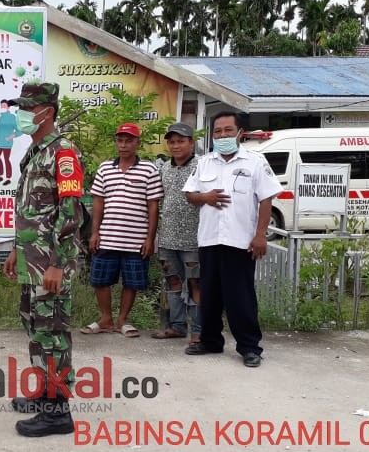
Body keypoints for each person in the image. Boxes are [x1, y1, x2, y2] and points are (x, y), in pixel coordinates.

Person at [2, 82, 85, 437]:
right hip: (31, 260)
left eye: (27, 108)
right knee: (36, 330)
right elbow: (30, 211)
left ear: (46, 112)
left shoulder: (63, 153)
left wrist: (57, 263)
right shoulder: (36, 152)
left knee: (52, 334)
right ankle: (45, 393)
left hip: (50, 263)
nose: (21, 114)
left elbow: (70, 211)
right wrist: (15, 250)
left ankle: (57, 413)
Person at [183, 111, 281, 368]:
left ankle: (249, 347)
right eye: (218, 131)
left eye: (228, 130)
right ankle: (210, 341)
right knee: (210, 295)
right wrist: (205, 198)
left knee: (240, 297)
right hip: (210, 240)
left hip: (240, 241)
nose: (222, 135)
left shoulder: (255, 162)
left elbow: (266, 199)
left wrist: (260, 235)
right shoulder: (205, 162)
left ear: (240, 133)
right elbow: (190, 194)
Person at [81, 122, 162, 339]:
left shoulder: (149, 169)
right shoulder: (105, 168)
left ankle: (122, 320)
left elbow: (153, 206)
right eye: (120, 140)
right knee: (100, 279)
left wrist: (150, 238)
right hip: (107, 237)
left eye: (128, 141)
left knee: (132, 282)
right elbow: (98, 202)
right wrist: (95, 233)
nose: (124, 145)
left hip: (136, 239)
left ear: (138, 143)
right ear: (116, 142)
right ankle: (106, 319)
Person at [154, 122, 203, 343]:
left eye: (181, 141)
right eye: (172, 142)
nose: (175, 146)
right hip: (167, 239)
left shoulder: (202, 165)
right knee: (172, 282)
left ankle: (198, 330)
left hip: (194, 239)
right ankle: (177, 326)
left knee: (195, 284)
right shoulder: (164, 168)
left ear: (191, 143)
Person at [0, 99, 20, 185]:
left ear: (8, 107)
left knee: (6, 159)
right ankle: (0, 176)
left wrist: (10, 137)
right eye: (1, 105)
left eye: (4, 105)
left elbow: (19, 130)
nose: (2, 107)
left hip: (6, 143)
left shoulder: (12, 118)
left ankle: (8, 178)